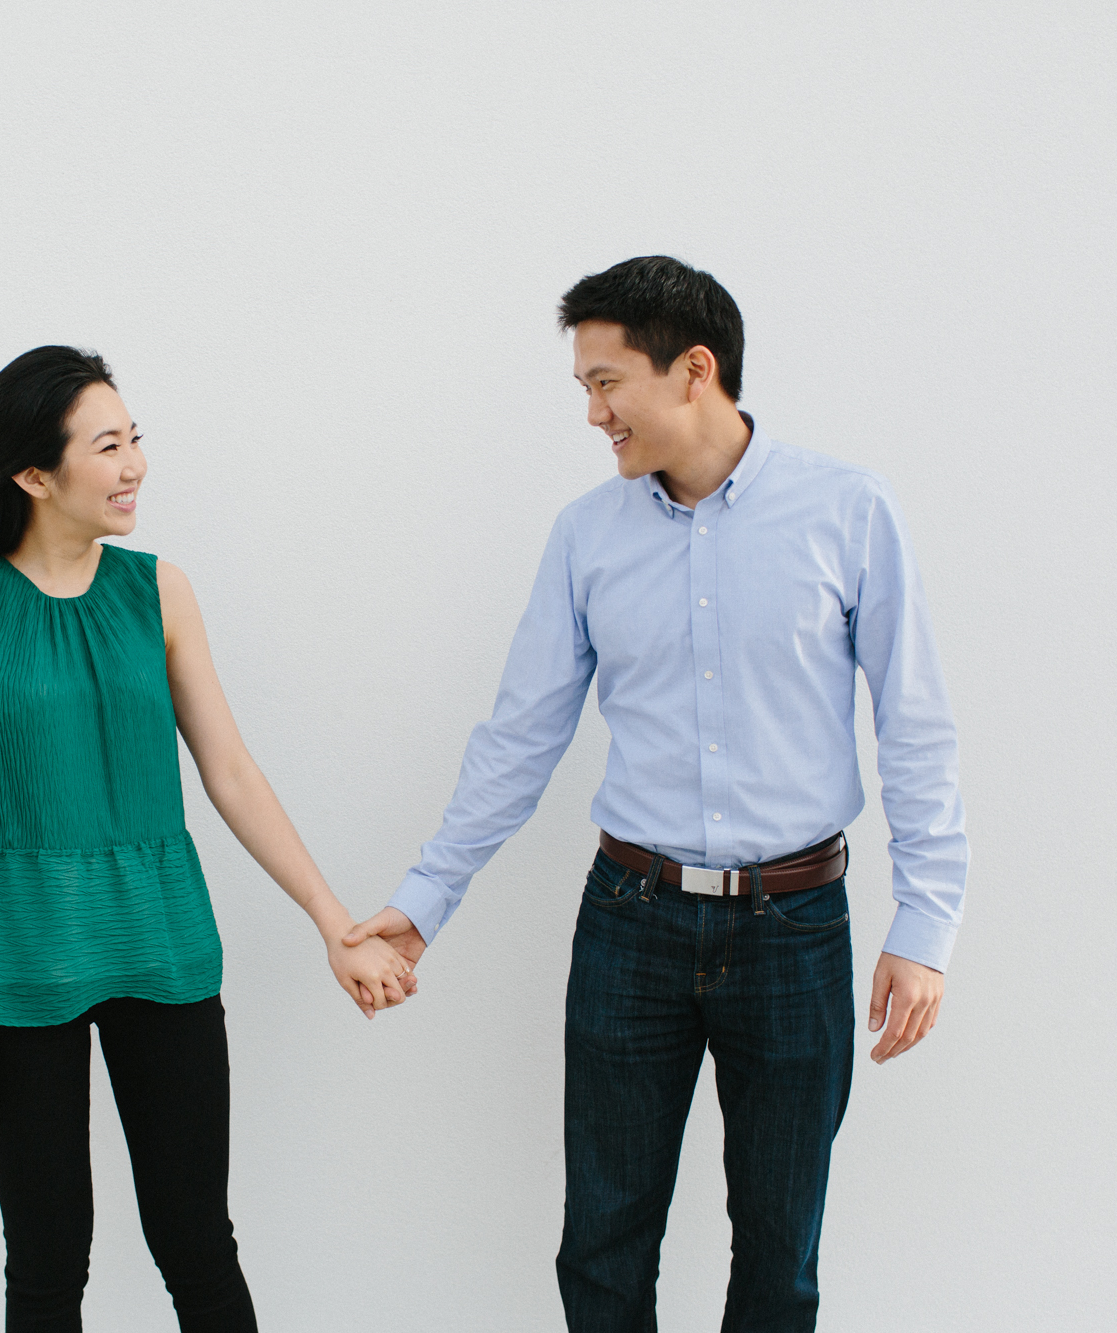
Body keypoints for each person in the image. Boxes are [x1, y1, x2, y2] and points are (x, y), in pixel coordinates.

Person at [343, 256, 968, 1331]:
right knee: (603, 1238)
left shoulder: (848, 510)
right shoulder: (586, 536)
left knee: (780, 1248)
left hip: (795, 924)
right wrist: (425, 895)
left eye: (603, 382)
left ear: (692, 369)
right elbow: (521, 734)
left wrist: (925, 921)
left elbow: (912, 723)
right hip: (629, 924)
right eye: (582, 389)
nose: (591, 415)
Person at [0, 346, 414, 1332]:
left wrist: (330, 919)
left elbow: (229, 770)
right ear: (33, 473)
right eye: (107, 445)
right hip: (20, 960)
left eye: (135, 438)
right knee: (47, 1258)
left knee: (195, 1241)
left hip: (163, 946)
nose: (134, 463)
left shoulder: (159, 590)